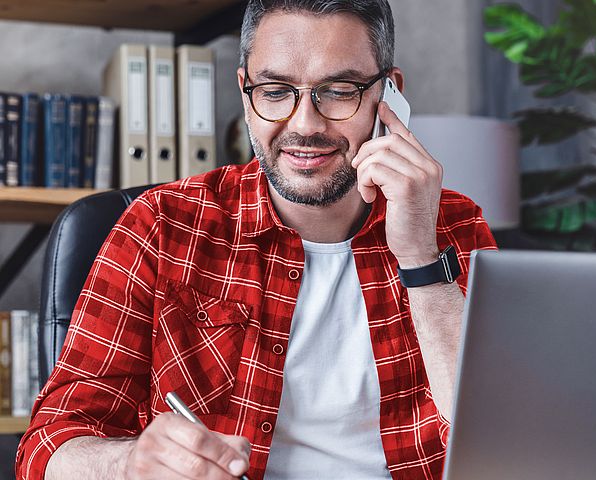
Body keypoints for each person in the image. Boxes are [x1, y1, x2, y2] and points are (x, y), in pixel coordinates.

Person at [16, 1, 496, 479]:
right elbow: (46, 447)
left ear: (390, 94)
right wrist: (129, 464)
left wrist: (420, 258)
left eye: (340, 90)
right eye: (275, 90)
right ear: (245, 92)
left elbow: (506, 438)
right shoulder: (161, 226)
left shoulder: (452, 224)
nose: (305, 124)